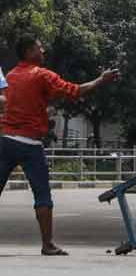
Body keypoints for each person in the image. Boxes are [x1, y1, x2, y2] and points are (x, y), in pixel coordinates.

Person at [0, 37, 119, 256]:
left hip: (5, 140)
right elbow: (75, 90)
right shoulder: (42, 75)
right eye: (39, 48)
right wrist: (101, 80)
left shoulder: (10, 76)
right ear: (28, 52)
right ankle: (47, 244)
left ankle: (48, 244)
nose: (43, 51)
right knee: (42, 195)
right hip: (30, 144)